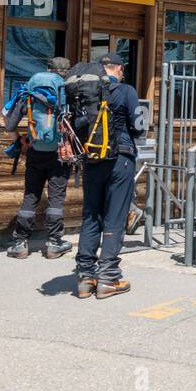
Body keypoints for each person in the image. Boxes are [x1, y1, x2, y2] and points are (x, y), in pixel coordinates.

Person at [74, 53, 144, 299]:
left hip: (92, 159)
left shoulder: (86, 92)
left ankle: (85, 277)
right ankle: (108, 278)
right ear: (119, 68)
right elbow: (138, 127)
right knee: (114, 217)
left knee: (91, 215)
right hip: (120, 159)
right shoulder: (125, 90)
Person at [3, 56, 72, 259]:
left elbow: (9, 125)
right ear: (64, 72)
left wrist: (21, 142)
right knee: (56, 197)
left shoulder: (29, 93)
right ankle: (54, 243)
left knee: (31, 195)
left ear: (47, 68)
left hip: (35, 151)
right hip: (60, 153)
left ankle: (20, 243)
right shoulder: (66, 94)